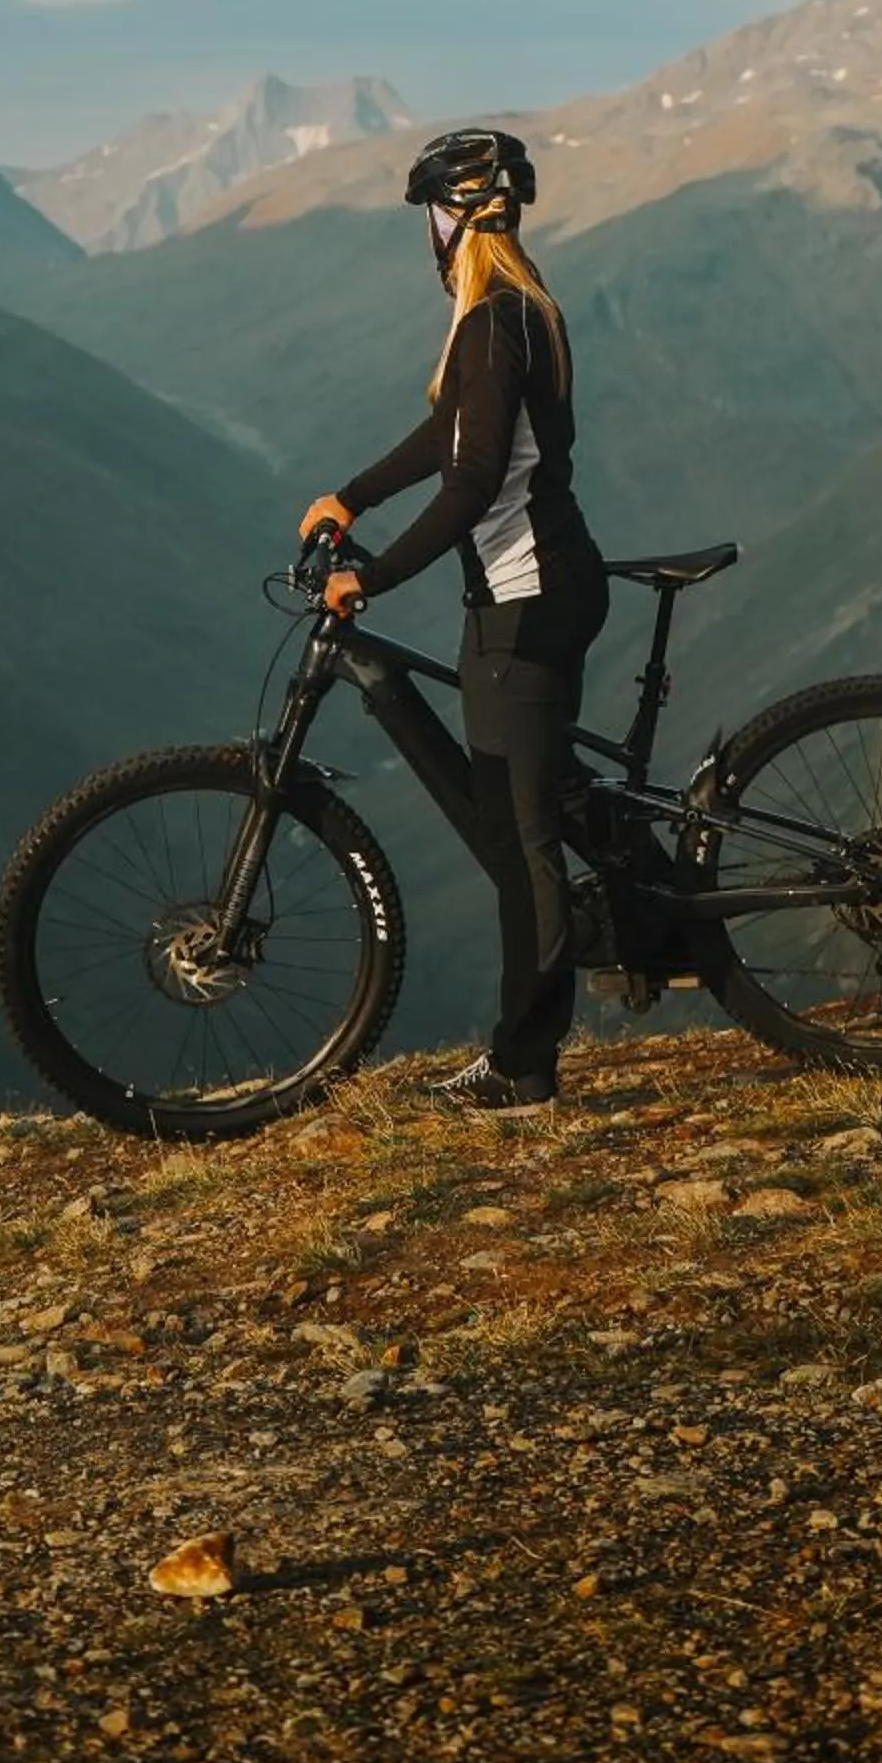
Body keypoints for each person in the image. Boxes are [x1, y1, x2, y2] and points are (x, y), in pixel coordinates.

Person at [300, 126, 609, 1112]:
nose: (426, 236)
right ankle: (523, 1046)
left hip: (528, 597)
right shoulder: (519, 312)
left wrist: (374, 577)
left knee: (524, 843)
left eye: (430, 217)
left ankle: (525, 1065)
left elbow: (472, 481)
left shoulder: (491, 324)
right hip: (517, 597)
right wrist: (351, 497)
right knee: (514, 832)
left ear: (453, 221)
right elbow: (454, 430)